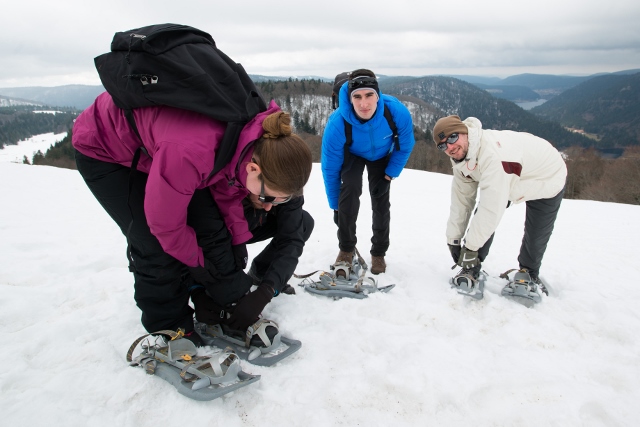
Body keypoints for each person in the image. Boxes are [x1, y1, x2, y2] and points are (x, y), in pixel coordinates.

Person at [72, 92, 313, 345]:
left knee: (202, 231)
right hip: (104, 148)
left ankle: (215, 301)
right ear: (253, 169)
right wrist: (201, 280)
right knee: (153, 243)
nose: (268, 207)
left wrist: (236, 251)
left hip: (161, 148)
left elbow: (222, 204)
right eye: (267, 197)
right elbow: (167, 227)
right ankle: (171, 332)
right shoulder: (193, 152)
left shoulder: (251, 146)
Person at [433, 115, 567, 285]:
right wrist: (453, 240)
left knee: (536, 231)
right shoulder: (461, 160)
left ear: (464, 132)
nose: (450, 147)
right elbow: (461, 203)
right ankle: (471, 267)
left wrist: (470, 248)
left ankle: (529, 272)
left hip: (548, 174)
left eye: (452, 138)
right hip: (515, 170)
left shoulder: (492, 155)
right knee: (485, 212)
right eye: (443, 145)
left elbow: (491, 208)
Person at [321, 69, 415, 275]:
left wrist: (389, 175)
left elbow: (405, 145)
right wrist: (335, 206)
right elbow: (330, 168)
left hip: (382, 154)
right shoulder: (337, 124)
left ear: (377, 95)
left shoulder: (396, 111)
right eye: (357, 97)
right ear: (349, 99)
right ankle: (346, 249)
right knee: (349, 191)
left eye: (369, 95)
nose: (364, 104)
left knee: (381, 200)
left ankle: (379, 252)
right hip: (353, 153)